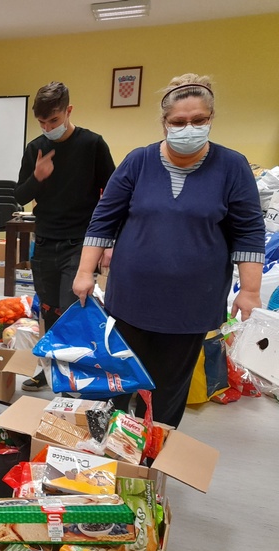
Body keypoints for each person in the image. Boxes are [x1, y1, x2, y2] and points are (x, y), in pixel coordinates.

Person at [73, 74, 265, 428]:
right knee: (118, 381)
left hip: (192, 304)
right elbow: (103, 219)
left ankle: (152, 460)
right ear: (165, 124)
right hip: (131, 299)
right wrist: (85, 272)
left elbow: (249, 231)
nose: (188, 128)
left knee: (168, 389)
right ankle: (110, 451)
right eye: (178, 122)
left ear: (211, 119)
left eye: (198, 120)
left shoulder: (232, 166)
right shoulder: (139, 161)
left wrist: (250, 290)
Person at [15, 81, 116, 391]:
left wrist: (110, 242)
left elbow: (113, 194)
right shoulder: (36, 148)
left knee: (72, 307)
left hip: (81, 243)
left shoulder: (92, 144)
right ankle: (49, 369)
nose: (48, 128)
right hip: (44, 239)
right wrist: (38, 177)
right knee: (47, 309)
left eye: (54, 121)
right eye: (42, 123)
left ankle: (75, 371)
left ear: (69, 111)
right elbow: (20, 195)